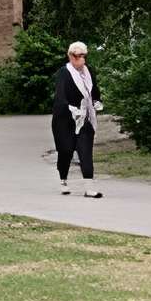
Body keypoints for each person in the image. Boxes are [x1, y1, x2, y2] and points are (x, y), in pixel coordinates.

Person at [51, 40, 103, 196]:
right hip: (65, 119)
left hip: (85, 118)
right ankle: (63, 180)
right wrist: (70, 108)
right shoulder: (64, 73)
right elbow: (60, 96)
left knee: (85, 151)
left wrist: (97, 101)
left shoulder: (89, 71)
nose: (80, 59)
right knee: (66, 151)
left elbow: (94, 91)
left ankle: (89, 188)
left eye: (83, 55)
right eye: (77, 56)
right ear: (70, 56)